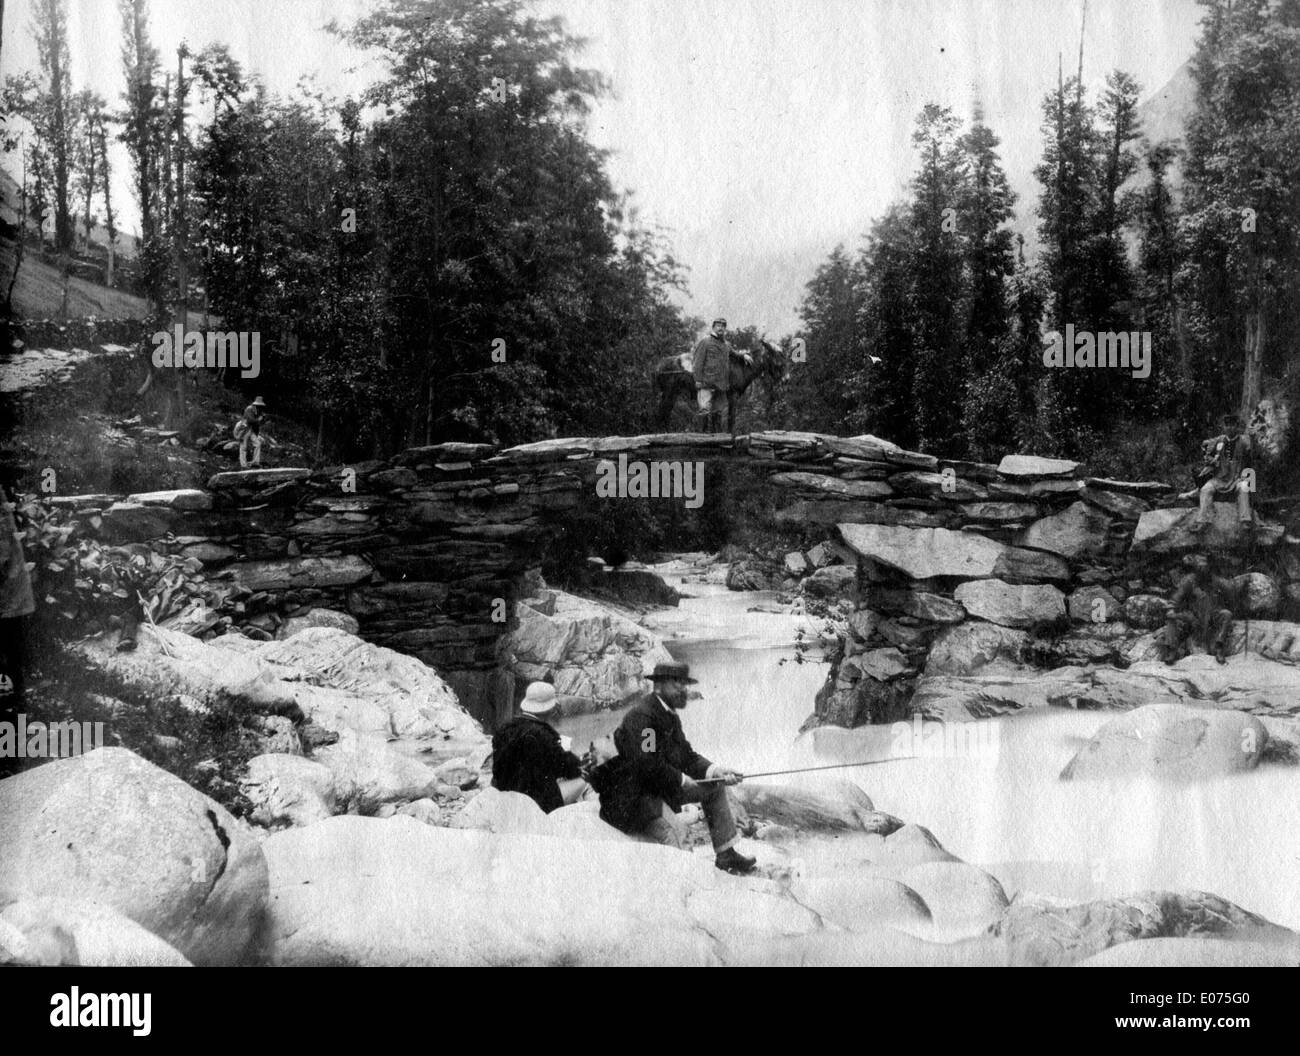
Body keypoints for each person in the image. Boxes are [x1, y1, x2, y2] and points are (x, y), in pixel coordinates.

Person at [596, 661, 756, 875]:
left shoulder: (669, 715)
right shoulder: (643, 716)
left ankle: (726, 853)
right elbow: (646, 762)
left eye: (684, 683)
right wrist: (680, 779)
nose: (683, 688)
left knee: (715, 787)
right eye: (676, 682)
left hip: (657, 789)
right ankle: (687, 881)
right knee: (678, 835)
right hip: (635, 798)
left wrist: (715, 771)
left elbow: (687, 756)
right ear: (658, 686)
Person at [490, 682, 588, 813]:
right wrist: (581, 760)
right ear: (550, 709)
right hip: (536, 806)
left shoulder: (504, 729)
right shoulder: (544, 735)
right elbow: (570, 769)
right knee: (588, 779)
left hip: (506, 801)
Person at [0, 482, 35, 778]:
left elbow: (1, 551)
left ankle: (11, 760)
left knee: (8, 680)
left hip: (6, 603)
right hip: (8, 600)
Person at [1155, 554, 1237, 665]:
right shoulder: (1189, 581)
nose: (1203, 569)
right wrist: (1171, 609)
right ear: (1196, 569)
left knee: (1226, 614)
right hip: (1193, 616)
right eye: (1200, 567)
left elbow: (1231, 594)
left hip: (1212, 616)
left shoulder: (1216, 581)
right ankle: (1172, 650)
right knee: (1172, 618)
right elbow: (1176, 598)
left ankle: (1219, 647)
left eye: (1205, 566)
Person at [1190, 413, 1253, 532]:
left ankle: (1245, 521)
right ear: (1224, 427)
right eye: (1227, 425)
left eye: (1232, 425)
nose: (1230, 428)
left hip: (1236, 479)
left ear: (1237, 427)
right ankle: (1203, 521)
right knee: (1206, 489)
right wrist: (1212, 461)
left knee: (1243, 487)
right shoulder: (1219, 440)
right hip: (1219, 479)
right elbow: (1206, 453)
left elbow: (1251, 457)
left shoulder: (1243, 441)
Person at [691, 318, 732, 434]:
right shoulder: (705, 342)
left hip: (720, 385)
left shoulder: (725, 345)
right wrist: (698, 380)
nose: (720, 328)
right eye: (718, 325)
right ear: (713, 327)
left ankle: (716, 439)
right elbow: (698, 362)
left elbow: (733, 353)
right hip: (706, 383)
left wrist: (744, 356)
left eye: (723, 326)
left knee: (718, 412)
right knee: (704, 410)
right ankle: (700, 439)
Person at [236, 396, 268, 468]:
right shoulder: (249, 409)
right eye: (259, 405)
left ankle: (256, 462)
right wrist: (259, 419)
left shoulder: (259, 412)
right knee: (243, 447)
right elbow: (250, 420)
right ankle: (243, 465)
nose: (260, 407)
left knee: (257, 444)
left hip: (251, 430)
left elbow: (257, 425)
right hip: (244, 429)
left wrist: (262, 419)